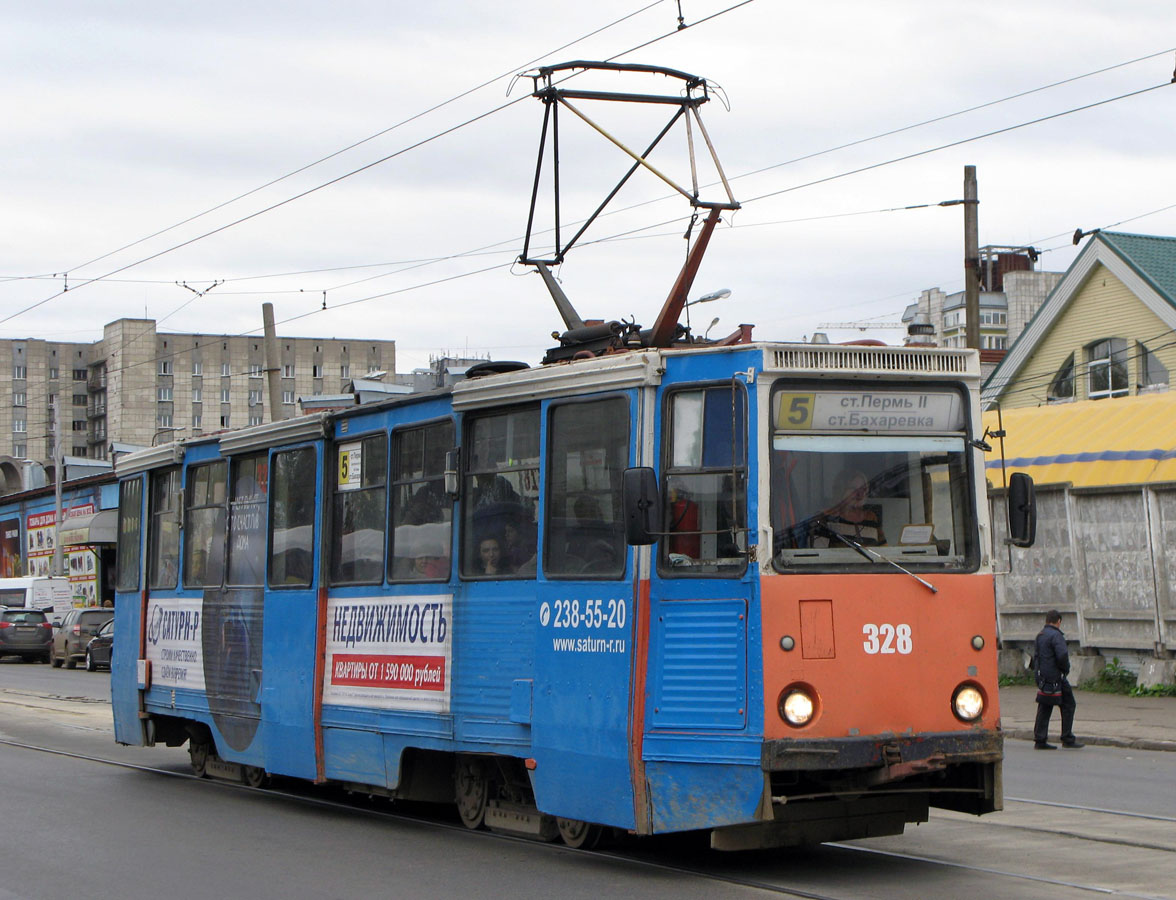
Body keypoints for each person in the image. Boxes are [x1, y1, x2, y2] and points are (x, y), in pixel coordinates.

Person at [1033, 609, 1083, 750]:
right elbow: (1062, 656)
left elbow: (1036, 657)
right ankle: (1067, 737)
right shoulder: (1056, 636)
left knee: (1044, 707)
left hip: (1043, 678)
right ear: (1058, 621)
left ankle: (1040, 739)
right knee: (1069, 705)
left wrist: (1038, 676)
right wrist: (1065, 670)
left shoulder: (1040, 635)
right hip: (1057, 678)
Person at [813, 469, 885, 547]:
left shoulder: (871, 517)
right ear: (841, 490)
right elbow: (819, 555)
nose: (860, 494)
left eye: (863, 489)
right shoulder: (825, 517)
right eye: (854, 489)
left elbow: (884, 551)